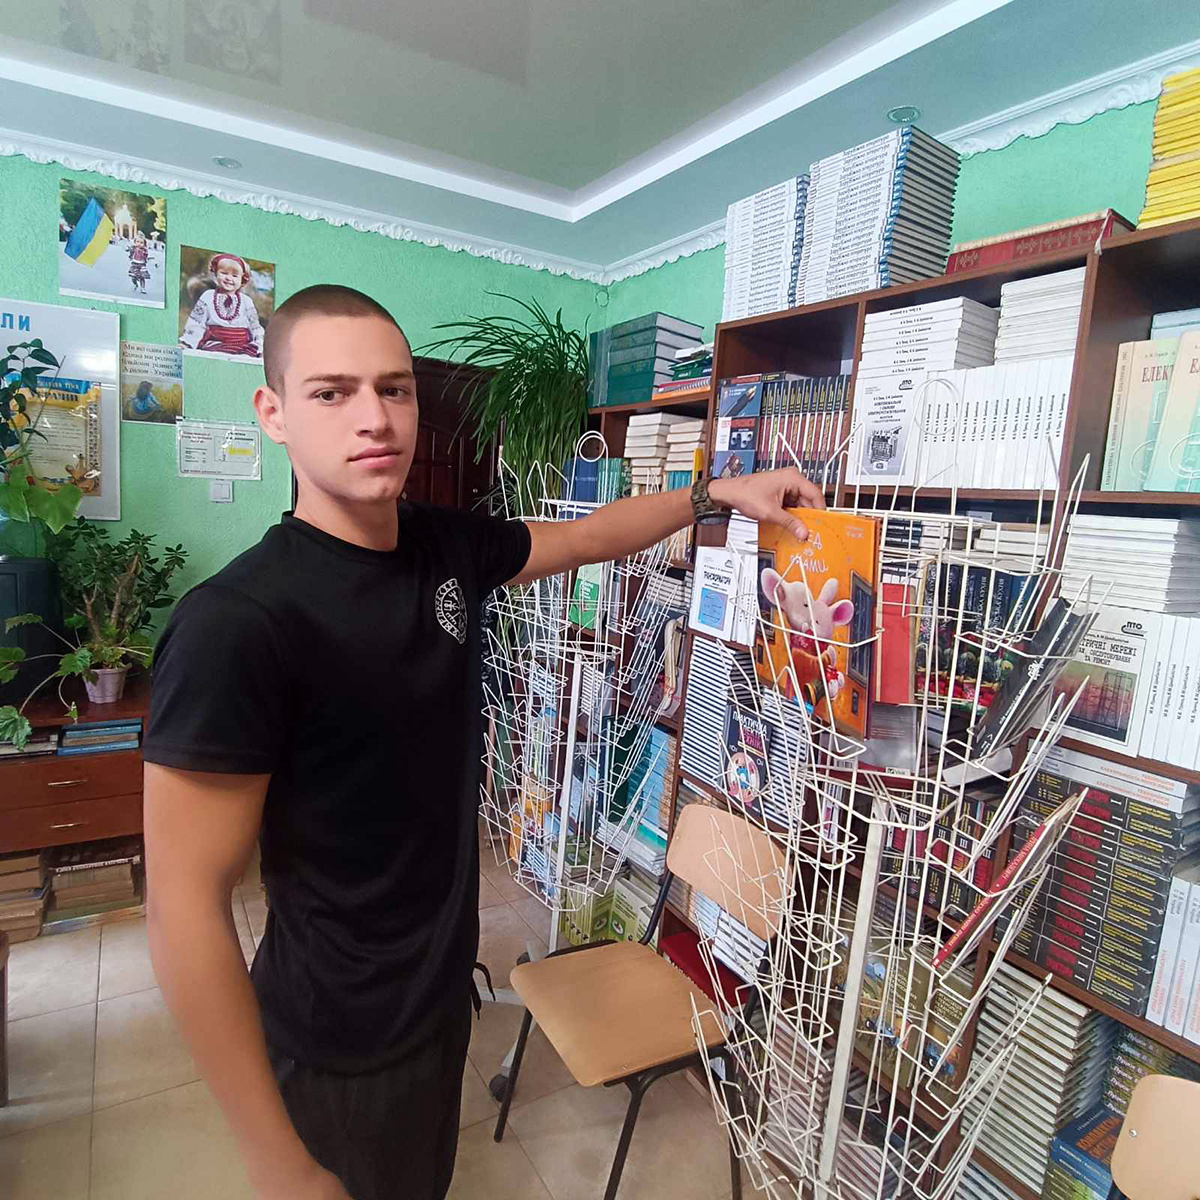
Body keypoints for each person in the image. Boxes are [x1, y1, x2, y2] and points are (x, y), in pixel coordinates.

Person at [143, 284, 823, 1200]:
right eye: (331, 393)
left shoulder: (441, 545)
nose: (374, 418)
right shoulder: (236, 623)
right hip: (339, 1041)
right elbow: (183, 909)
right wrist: (277, 1162)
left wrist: (714, 494)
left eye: (394, 389)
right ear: (273, 414)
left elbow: (585, 538)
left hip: (438, 1002)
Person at [179, 252, 265, 358]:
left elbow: (255, 327)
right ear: (215, 274)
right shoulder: (208, 296)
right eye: (224, 273)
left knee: (247, 356)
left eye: (235, 276)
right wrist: (187, 343)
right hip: (215, 344)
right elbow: (196, 322)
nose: (229, 278)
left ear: (242, 279)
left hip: (242, 347)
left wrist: (260, 346)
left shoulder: (246, 301)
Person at [128, 229, 151, 294]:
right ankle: (135, 284)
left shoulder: (144, 250)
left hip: (142, 264)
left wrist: (145, 254)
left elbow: (146, 256)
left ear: (144, 244)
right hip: (134, 264)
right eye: (137, 242)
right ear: (135, 242)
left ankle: (142, 288)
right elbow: (130, 252)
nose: (139, 244)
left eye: (141, 242)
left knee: (142, 277)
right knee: (133, 276)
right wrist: (130, 252)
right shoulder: (134, 248)